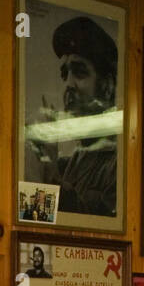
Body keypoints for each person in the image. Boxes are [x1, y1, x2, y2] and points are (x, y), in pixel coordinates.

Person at [39, 16, 119, 217]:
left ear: (107, 86)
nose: (68, 84)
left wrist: (49, 171)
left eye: (80, 72)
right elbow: (35, 217)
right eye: (65, 74)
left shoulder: (120, 161)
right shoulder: (75, 158)